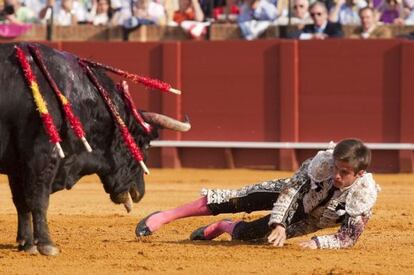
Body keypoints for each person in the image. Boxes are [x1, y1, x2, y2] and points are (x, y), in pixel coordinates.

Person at [136, 138, 380, 249]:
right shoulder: (322, 163)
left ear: (359, 173)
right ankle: (166, 216)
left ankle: (222, 227)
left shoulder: (364, 194)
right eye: (337, 168)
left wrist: (317, 243)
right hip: (287, 194)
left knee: (249, 237)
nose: (337, 175)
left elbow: (348, 237)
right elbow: (293, 190)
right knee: (237, 198)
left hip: (307, 222)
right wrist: (279, 222)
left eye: (345, 172)